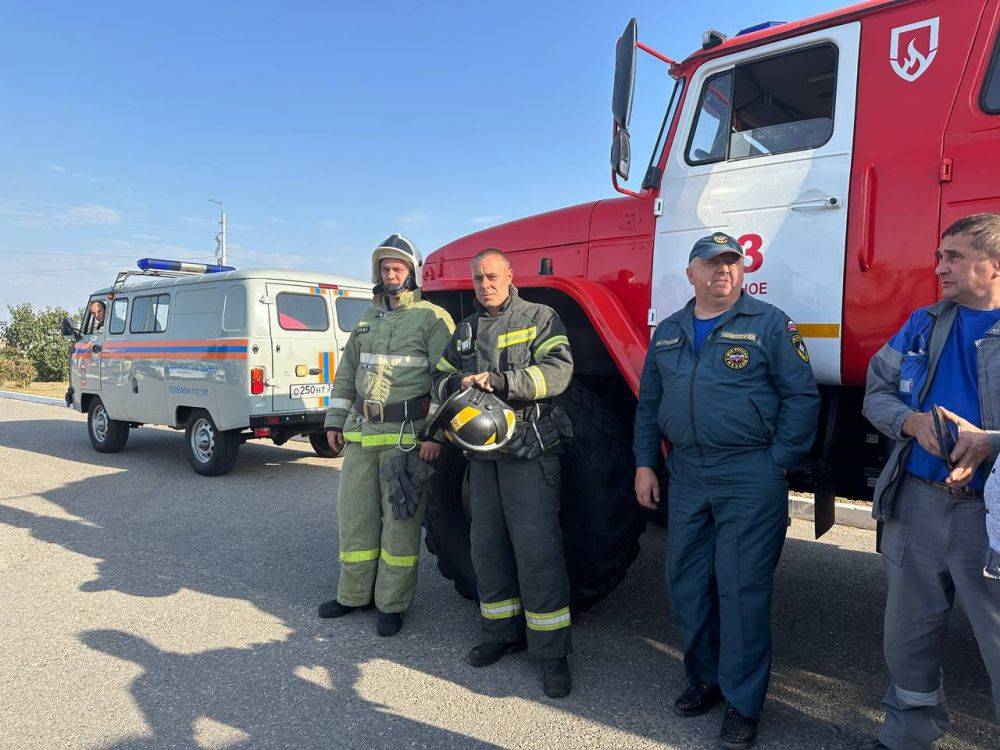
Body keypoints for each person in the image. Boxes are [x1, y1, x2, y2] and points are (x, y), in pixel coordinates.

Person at [633, 232, 820, 749]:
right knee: (687, 584)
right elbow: (649, 405)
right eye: (711, 263)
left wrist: (777, 463)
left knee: (740, 590)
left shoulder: (769, 324)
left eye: (732, 262)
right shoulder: (669, 331)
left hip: (748, 474)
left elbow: (800, 397)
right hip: (688, 473)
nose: (724, 271)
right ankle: (706, 680)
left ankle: (743, 704)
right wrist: (646, 464)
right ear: (690, 273)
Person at [863, 213, 1000, 750]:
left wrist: (992, 440)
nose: (939, 267)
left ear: (993, 266)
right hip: (917, 506)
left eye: (955, 257)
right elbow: (877, 391)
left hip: (986, 519)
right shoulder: (923, 323)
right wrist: (910, 421)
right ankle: (908, 736)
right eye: (940, 255)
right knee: (907, 638)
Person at [431, 248, 575, 698]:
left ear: (510, 276)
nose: (485, 285)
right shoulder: (467, 329)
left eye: (492, 276)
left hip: (529, 453)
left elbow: (560, 371)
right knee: (486, 546)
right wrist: (458, 384)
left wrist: (502, 382)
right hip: (482, 456)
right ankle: (499, 634)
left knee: (538, 552)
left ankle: (551, 654)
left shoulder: (540, 316)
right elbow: (438, 378)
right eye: (478, 279)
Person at [317, 234, 454, 637]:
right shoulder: (366, 319)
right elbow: (346, 374)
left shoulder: (432, 318)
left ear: (413, 274)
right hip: (361, 435)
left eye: (398, 269)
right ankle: (353, 595)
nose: (391, 275)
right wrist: (333, 421)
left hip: (405, 438)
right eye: (385, 268)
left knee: (400, 523)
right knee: (355, 519)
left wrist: (436, 435)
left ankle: (392, 605)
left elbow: (445, 382)